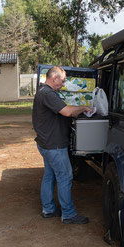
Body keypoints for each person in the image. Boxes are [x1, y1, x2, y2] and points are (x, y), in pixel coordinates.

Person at [32, 66, 92, 224]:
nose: (63, 84)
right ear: (54, 78)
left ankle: (48, 209)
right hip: (54, 145)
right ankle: (68, 214)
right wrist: (84, 107)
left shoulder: (42, 92)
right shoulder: (48, 93)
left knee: (49, 176)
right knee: (65, 177)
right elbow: (66, 112)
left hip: (45, 143)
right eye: (63, 80)